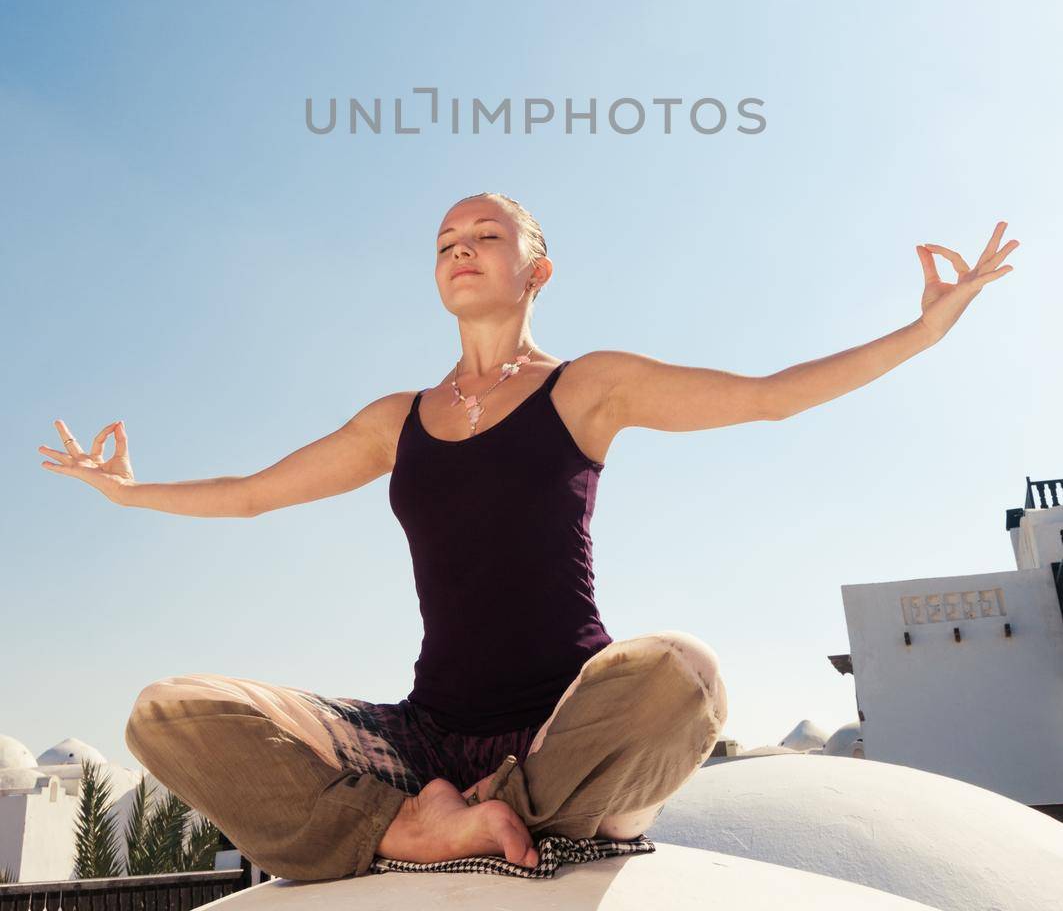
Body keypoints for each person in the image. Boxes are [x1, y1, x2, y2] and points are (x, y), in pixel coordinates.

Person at [38, 196, 1018, 880]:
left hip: (567, 719)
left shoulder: (585, 385)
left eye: (486, 232)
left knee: (682, 674)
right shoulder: (398, 418)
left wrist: (919, 332)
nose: (460, 246)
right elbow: (251, 493)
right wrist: (125, 493)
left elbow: (762, 398)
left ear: (534, 268)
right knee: (170, 712)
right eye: (443, 239)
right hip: (424, 737)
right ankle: (416, 827)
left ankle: (503, 805)